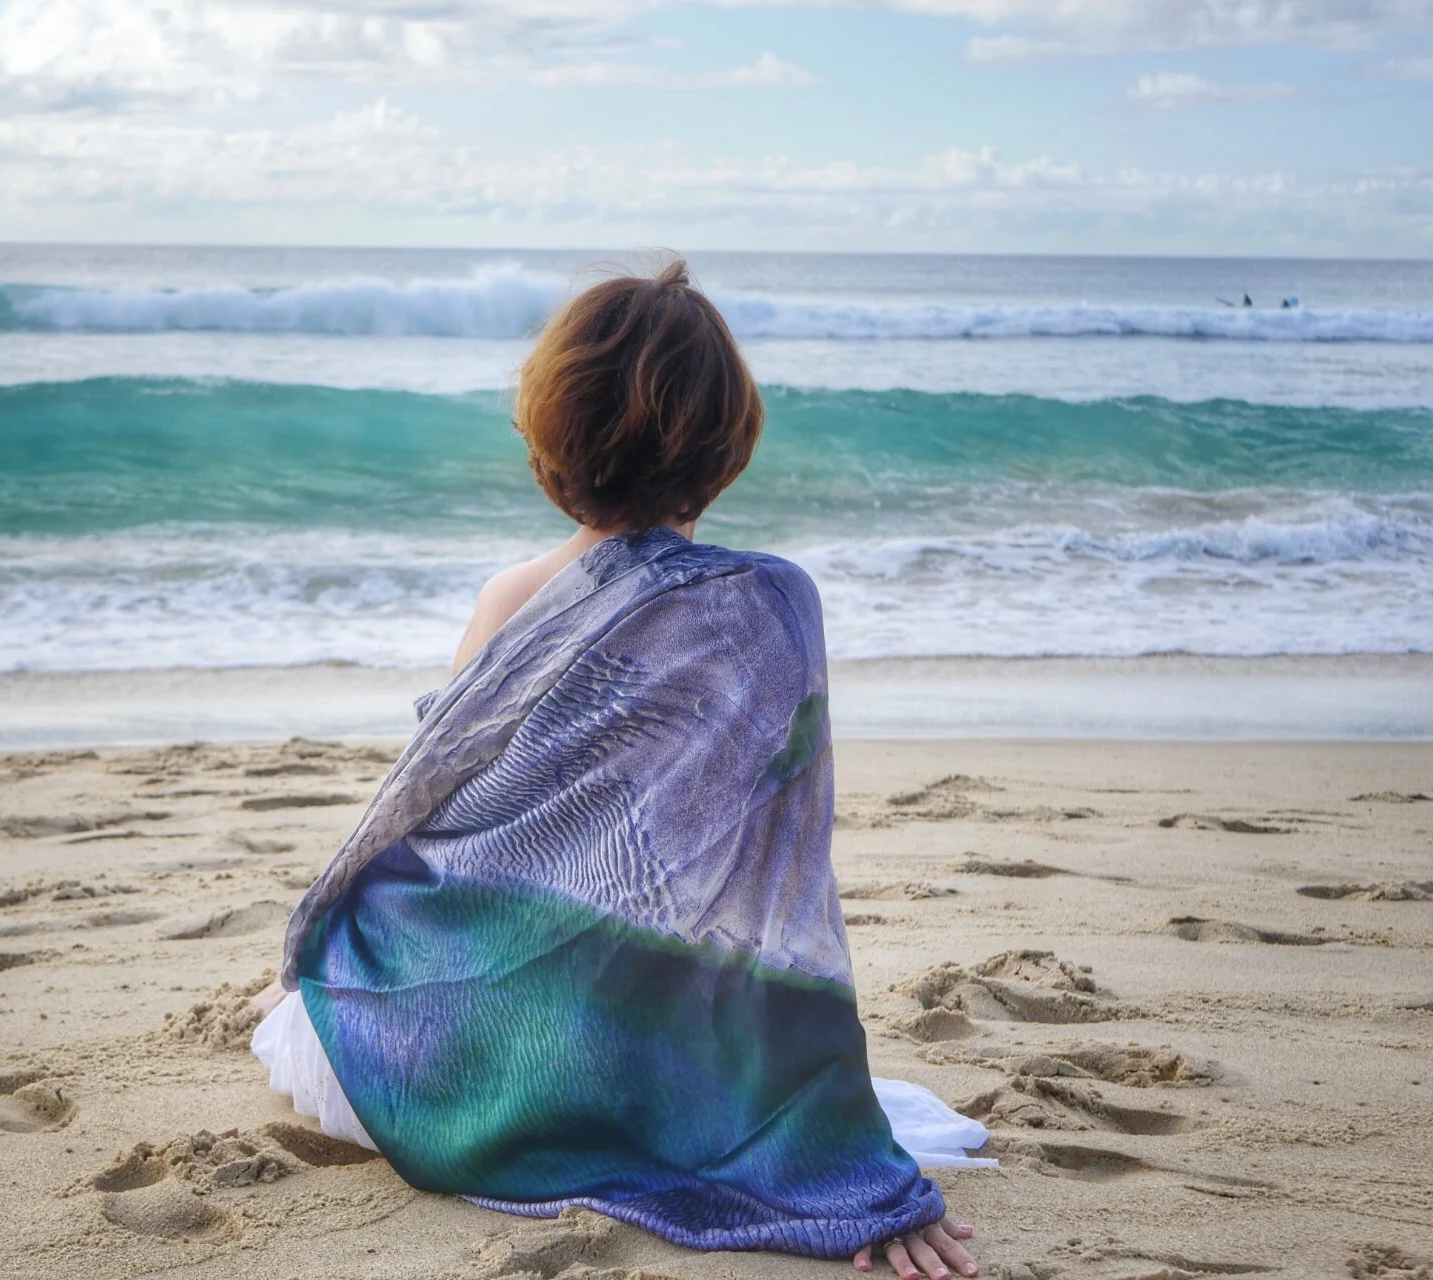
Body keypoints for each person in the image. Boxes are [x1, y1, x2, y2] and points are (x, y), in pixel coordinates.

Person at [251, 260, 985, 1278]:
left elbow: (441, 822)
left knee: (307, 1004)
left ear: (553, 434)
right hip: (624, 1059)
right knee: (676, 1065)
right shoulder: (769, 606)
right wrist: (841, 1157)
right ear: (728, 439)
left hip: (413, 1060)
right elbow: (781, 893)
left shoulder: (509, 597)